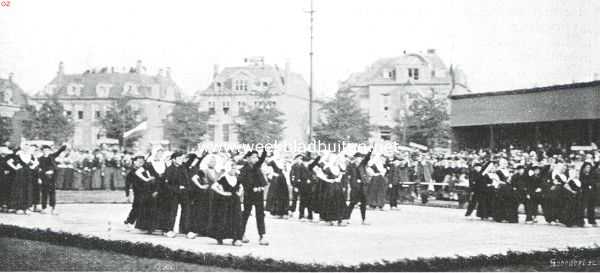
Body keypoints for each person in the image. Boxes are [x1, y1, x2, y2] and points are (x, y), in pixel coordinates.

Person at [207, 160, 244, 246]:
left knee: (236, 219)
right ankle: (220, 238)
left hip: (235, 202)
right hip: (225, 203)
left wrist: (239, 193)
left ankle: (236, 239)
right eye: (232, 168)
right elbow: (213, 187)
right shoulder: (223, 178)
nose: (234, 170)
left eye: (235, 168)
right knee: (224, 219)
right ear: (228, 168)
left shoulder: (236, 178)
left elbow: (241, 187)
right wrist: (223, 193)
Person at [239, 149, 269, 245]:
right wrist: (252, 188)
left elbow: (261, 160)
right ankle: (241, 234)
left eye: (256, 157)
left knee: (260, 214)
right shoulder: (244, 169)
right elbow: (243, 182)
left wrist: (265, 151)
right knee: (246, 214)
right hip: (249, 194)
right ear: (248, 159)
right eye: (253, 157)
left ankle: (262, 236)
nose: (256, 159)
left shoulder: (257, 167)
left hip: (259, 194)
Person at [37, 144, 67, 214]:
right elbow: (39, 169)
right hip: (44, 177)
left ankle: (53, 208)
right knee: (44, 193)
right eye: (44, 150)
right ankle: (44, 208)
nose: (46, 152)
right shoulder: (40, 159)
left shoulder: (52, 156)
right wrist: (42, 176)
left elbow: (58, 152)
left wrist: (63, 147)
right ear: (42, 151)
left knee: (52, 193)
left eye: (47, 150)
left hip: (52, 178)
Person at [345, 149, 371, 225]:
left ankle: (364, 219)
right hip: (355, 187)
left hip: (363, 186)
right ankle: (347, 218)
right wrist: (351, 184)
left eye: (360, 158)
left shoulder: (362, 165)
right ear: (355, 158)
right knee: (352, 203)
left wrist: (370, 151)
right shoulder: (351, 166)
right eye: (358, 158)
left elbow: (367, 158)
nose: (359, 159)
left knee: (363, 203)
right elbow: (348, 175)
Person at [580, 162, 598, 227]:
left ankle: (591, 220)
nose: (588, 169)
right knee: (583, 206)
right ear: (584, 168)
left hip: (591, 192)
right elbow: (583, 182)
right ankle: (581, 221)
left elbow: (593, 182)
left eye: (589, 167)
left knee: (591, 207)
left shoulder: (591, 175)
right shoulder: (582, 175)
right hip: (584, 192)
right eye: (587, 167)